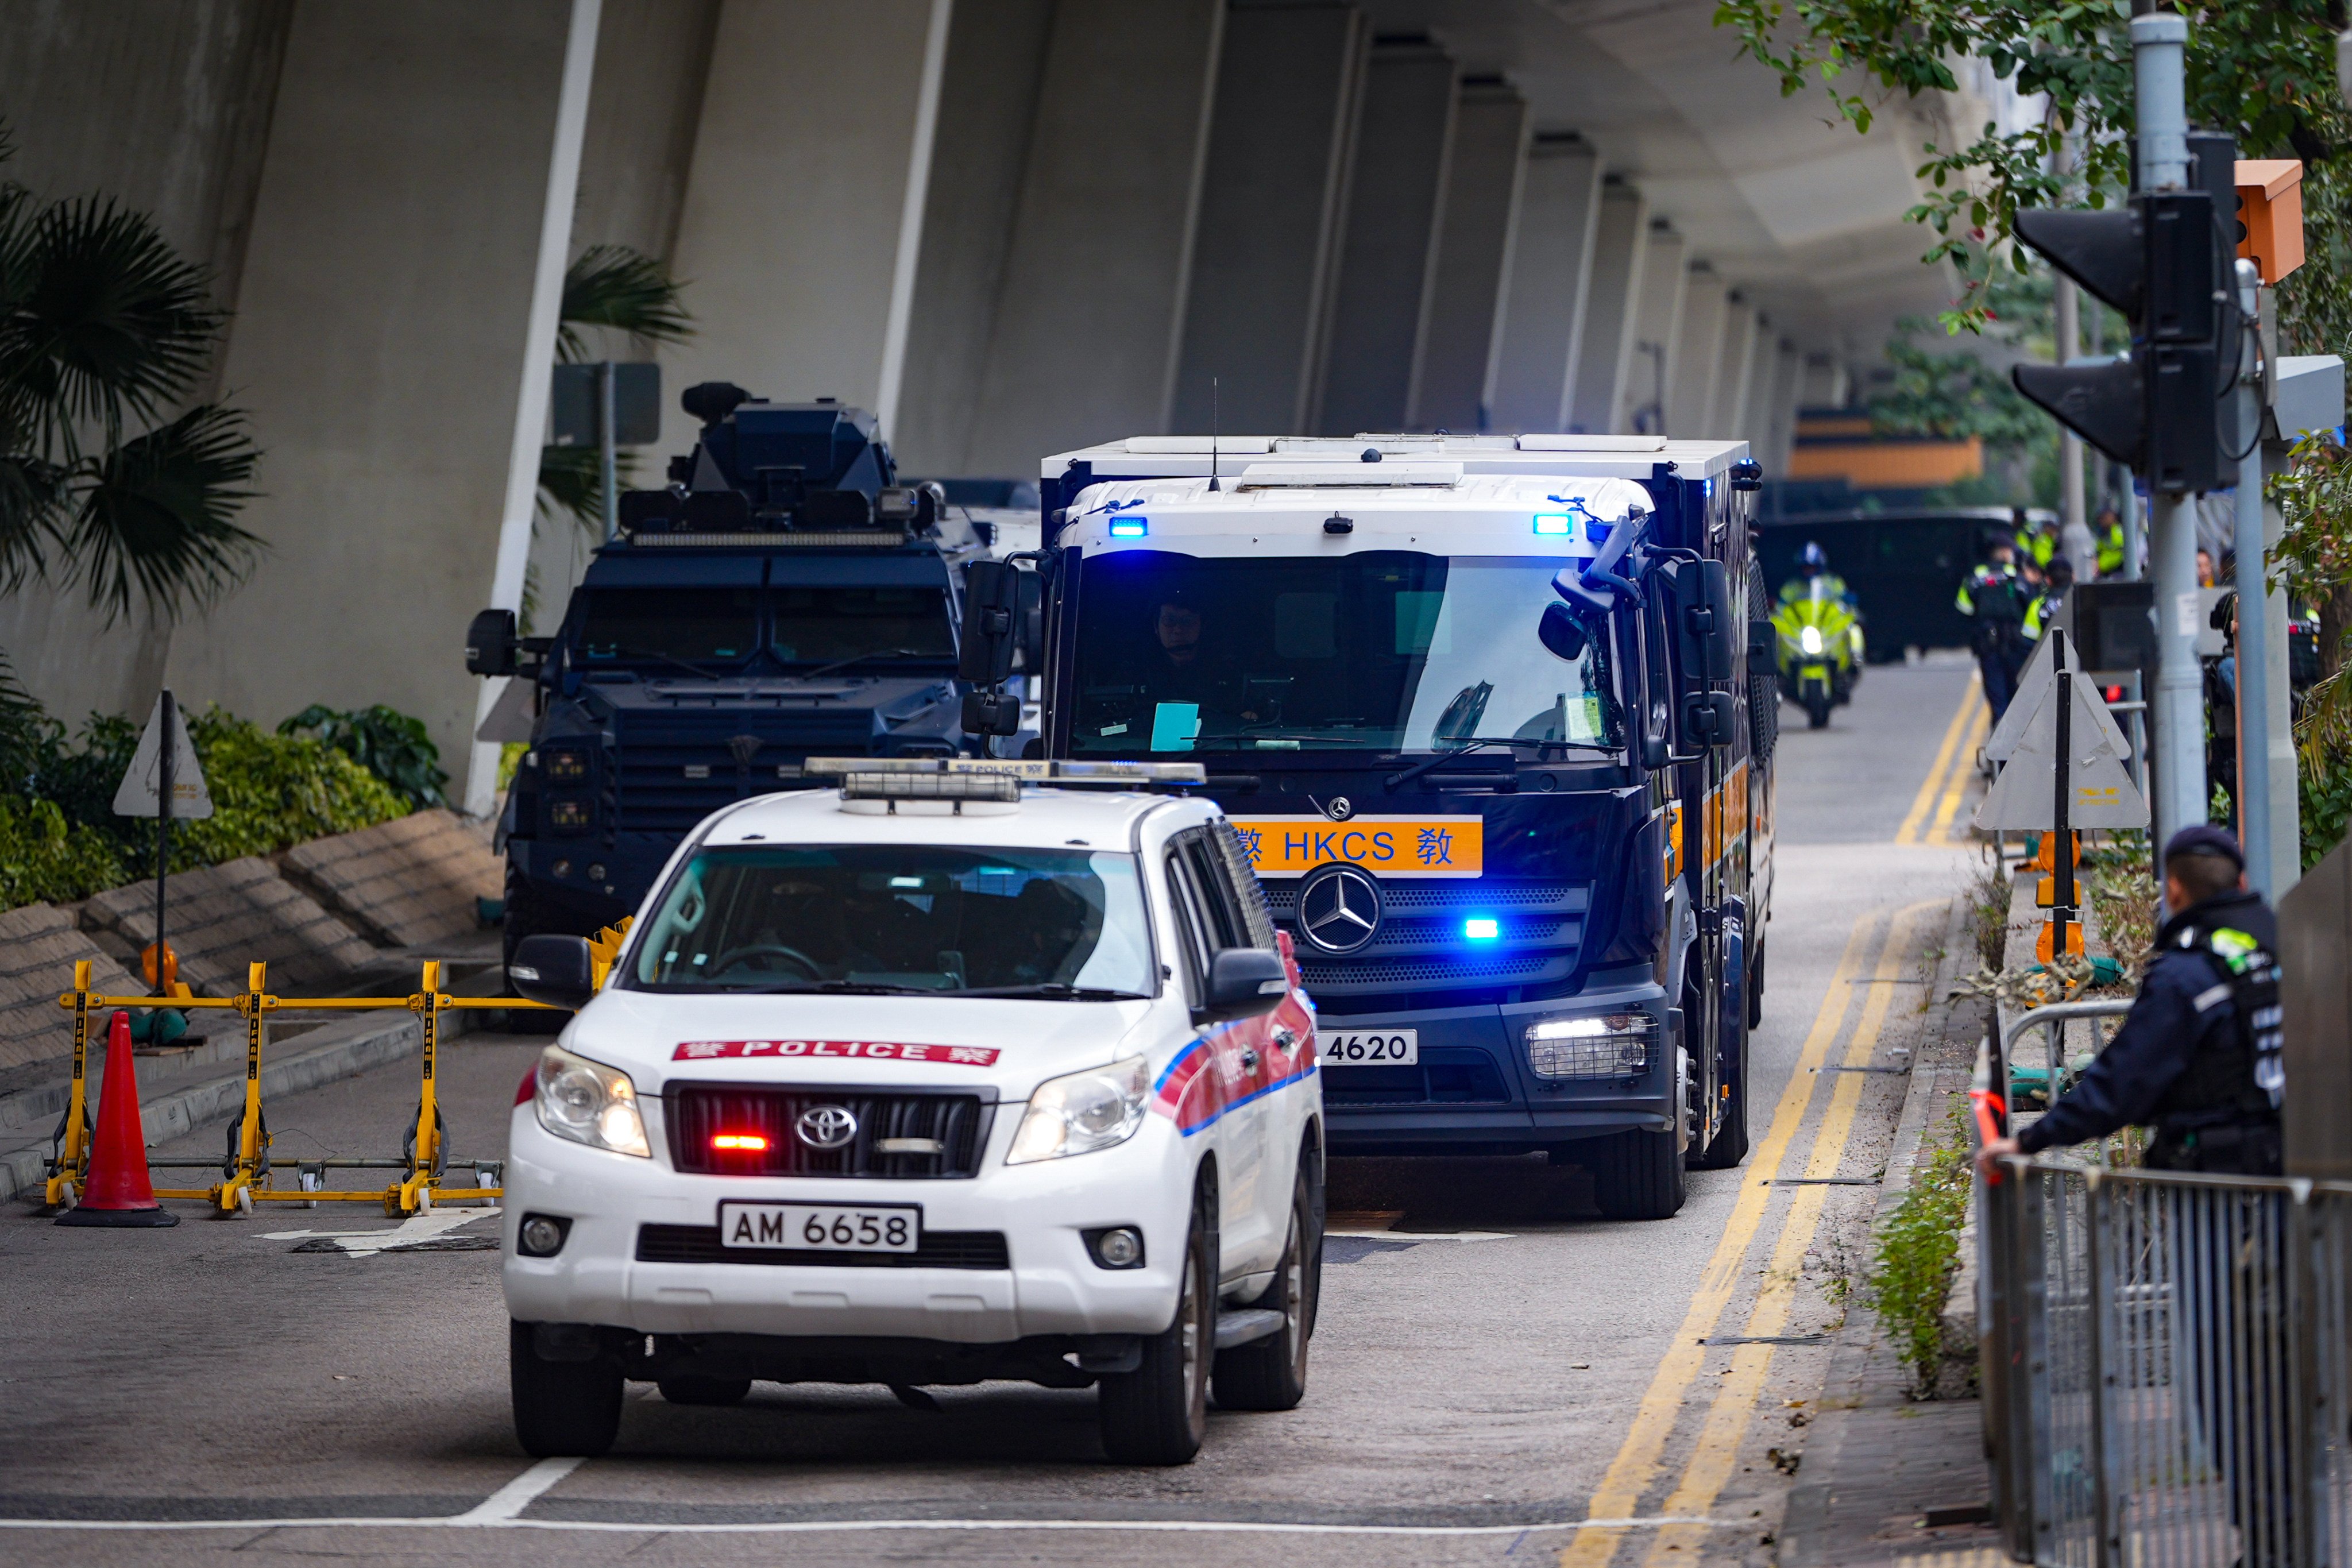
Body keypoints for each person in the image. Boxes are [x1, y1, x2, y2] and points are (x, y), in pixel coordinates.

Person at [1978, 824, 2288, 1561]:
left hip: (2213, 1193)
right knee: (2283, 1373)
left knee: (2222, 1381)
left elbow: (2124, 1080)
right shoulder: (2272, 948)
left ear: (2175, 890)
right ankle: (2286, 1532)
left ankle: (2269, 1542)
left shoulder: (2187, 973)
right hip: (2286, 1187)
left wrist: (2025, 1141)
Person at [1956, 538, 2028, 718]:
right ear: (2003, 551)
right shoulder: (2015, 576)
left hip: (1987, 642)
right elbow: (2030, 604)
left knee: (1997, 696)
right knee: (2017, 693)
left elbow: (1964, 607)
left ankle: (1999, 733)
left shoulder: (1976, 576)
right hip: (2014, 643)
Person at [2019, 555, 2075, 645]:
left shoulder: (2038, 604)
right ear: (2073, 577)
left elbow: (2029, 642)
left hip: (2048, 657)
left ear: (2048, 580)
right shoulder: (2084, 601)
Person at [1778, 541, 1851, 607]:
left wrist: (1849, 599)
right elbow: (1781, 606)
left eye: (1812, 567)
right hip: (1801, 621)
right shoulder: (1792, 586)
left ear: (1820, 566)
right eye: (1805, 568)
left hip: (1828, 621)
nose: (1809, 571)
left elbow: (1845, 601)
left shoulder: (1833, 582)